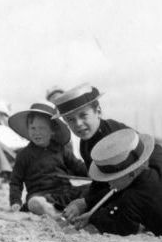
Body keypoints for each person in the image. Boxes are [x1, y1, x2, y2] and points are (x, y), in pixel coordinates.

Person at [51, 84, 130, 219]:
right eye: (71, 120)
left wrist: (86, 203)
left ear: (98, 111)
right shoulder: (86, 143)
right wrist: (86, 202)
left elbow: (124, 182)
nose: (78, 124)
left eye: (83, 115)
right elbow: (99, 181)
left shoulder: (111, 135)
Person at [7, 102, 87, 217]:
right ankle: (53, 213)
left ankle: (71, 209)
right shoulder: (24, 155)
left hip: (65, 192)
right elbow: (15, 182)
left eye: (42, 128)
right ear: (28, 130)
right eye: (33, 128)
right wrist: (15, 201)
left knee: (92, 189)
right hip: (42, 196)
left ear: (52, 131)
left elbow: (78, 167)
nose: (37, 132)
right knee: (34, 203)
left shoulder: (61, 150)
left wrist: (94, 172)